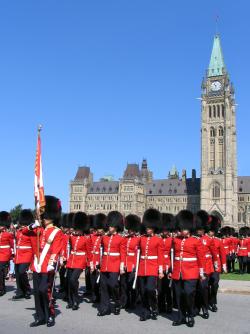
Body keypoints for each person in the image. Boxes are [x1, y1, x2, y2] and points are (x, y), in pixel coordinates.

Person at [24, 195, 64, 327]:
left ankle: (50, 314)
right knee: (37, 292)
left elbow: (56, 250)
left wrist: (52, 264)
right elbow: (23, 232)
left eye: (45, 215)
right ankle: (40, 316)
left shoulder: (57, 232)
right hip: (37, 265)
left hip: (47, 266)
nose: (43, 217)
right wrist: (32, 225)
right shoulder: (39, 229)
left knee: (45, 291)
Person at [170, 210, 205, 328]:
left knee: (189, 293)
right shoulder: (175, 239)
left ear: (190, 228)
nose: (183, 230)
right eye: (181, 228)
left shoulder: (196, 241)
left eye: (185, 228)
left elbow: (201, 258)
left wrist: (201, 272)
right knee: (179, 295)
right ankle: (181, 316)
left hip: (191, 272)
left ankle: (190, 314)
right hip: (177, 272)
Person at [97, 211, 126, 316]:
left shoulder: (121, 239)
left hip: (115, 264)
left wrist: (122, 267)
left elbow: (123, 253)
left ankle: (117, 303)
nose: (109, 227)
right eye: (109, 225)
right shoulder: (104, 237)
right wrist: (99, 263)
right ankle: (105, 308)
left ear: (116, 226)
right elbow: (101, 251)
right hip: (105, 264)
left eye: (112, 225)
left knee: (113, 285)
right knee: (103, 286)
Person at [138, 208, 164, 321]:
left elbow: (161, 256)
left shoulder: (158, 240)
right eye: (146, 227)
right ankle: (145, 311)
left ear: (153, 227)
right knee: (143, 291)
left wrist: (161, 270)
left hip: (153, 267)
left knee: (150, 289)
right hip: (142, 267)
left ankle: (154, 307)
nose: (147, 229)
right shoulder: (142, 239)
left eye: (149, 227)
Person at [66, 211, 92, 310]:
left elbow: (89, 253)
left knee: (73, 280)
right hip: (71, 260)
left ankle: (76, 300)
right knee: (69, 281)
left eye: (78, 228)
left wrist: (90, 264)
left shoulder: (86, 239)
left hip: (80, 261)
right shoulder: (72, 237)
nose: (76, 230)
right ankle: (71, 300)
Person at [195, 210, 218, 320]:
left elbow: (214, 254)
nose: (199, 231)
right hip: (194, 268)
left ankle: (204, 307)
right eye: (198, 229)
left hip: (206, 267)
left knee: (204, 288)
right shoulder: (193, 239)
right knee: (195, 289)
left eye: (201, 229)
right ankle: (196, 307)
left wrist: (216, 266)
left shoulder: (208, 240)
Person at [120, 214, 141, 310]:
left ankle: (133, 301)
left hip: (133, 264)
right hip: (125, 264)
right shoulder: (125, 239)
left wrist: (135, 266)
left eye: (132, 230)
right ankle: (124, 301)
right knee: (123, 284)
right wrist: (123, 263)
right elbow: (123, 251)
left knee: (132, 285)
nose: (130, 231)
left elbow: (138, 253)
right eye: (129, 229)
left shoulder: (138, 239)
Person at [12, 209, 34, 300]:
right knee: (17, 274)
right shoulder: (18, 231)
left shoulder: (30, 232)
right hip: (18, 254)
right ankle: (20, 291)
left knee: (22, 271)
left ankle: (27, 289)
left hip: (27, 254)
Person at [207, 215, 227, 312]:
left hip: (216, 266)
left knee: (215, 284)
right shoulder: (204, 240)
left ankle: (213, 301)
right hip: (207, 265)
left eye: (211, 231)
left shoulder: (218, 241)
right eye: (209, 230)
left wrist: (224, 266)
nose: (210, 232)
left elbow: (222, 254)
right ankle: (205, 301)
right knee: (205, 285)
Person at [158, 213, 173, 314]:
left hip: (168, 266)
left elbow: (173, 255)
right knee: (160, 289)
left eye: (166, 230)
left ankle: (169, 306)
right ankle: (161, 306)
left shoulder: (171, 240)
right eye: (163, 230)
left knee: (168, 289)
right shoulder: (158, 239)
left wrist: (171, 269)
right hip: (159, 266)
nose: (164, 231)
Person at [90, 213, 106, 304]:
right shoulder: (93, 237)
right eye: (98, 228)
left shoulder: (105, 237)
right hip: (93, 259)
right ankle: (94, 295)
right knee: (93, 280)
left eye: (101, 228)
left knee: (99, 280)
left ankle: (100, 296)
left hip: (100, 260)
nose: (99, 230)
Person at [0, 211, 14, 296]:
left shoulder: (8, 234)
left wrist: (11, 255)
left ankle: (2, 289)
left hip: (5, 254)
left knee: (0, 271)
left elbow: (12, 245)